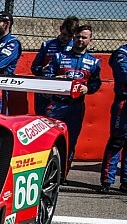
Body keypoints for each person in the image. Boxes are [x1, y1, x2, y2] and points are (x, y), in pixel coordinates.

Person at [44, 25, 101, 170]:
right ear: (73, 37)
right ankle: (46, 171)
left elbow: (96, 83)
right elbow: (46, 76)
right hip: (57, 104)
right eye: (78, 36)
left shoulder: (94, 62)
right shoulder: (59, 56)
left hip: (76, 106)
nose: (80, 40)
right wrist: (55, 79)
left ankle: (64, 174)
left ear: (90, 40)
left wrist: (88, 88)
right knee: (49, 139)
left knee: (71, 139)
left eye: (84, 37)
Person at [31, 16, 78, 116]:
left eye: (70, 36)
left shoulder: (75, 48)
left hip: (64, 93)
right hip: (44, 89)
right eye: (64, 34)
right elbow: (34, 68)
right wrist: (42, 69)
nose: (66, 38)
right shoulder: (47, 45)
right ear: (60, 29)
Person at [100, 43, 127, 193]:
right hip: (123, 103)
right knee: (117, 141)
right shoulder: (122, 53)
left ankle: (126, 182)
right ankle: (107, 181)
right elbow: (124, 75)